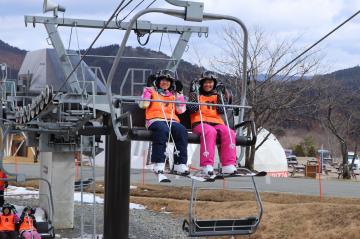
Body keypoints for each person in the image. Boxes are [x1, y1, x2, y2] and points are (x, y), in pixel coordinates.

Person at [139, 70, 189, 177]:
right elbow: (143, 104)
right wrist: (147, 89)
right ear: (158, 81)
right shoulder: (152, 91)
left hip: (171, 120)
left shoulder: (173, 95)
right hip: (154, 119)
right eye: (162, 80)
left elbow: (181, 110)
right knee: (162, 130)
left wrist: (180, 93)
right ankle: (159, 163)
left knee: (182, 131)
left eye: (168, 81)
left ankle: (180, 163)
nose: (165, 83)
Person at [188, 71, 238, 176]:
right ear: (201, 84)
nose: (208, 85)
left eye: (210, 82)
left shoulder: (216, 96)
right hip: (200, 122)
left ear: (214, 84)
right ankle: (207, 165)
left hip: (216, 122)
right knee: (210, 132)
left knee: (229, 132)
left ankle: (228, 165)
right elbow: (192, 109)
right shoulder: (197, 94)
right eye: (205, 82)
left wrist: (221, 95)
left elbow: (221, 110)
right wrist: (193, 93)